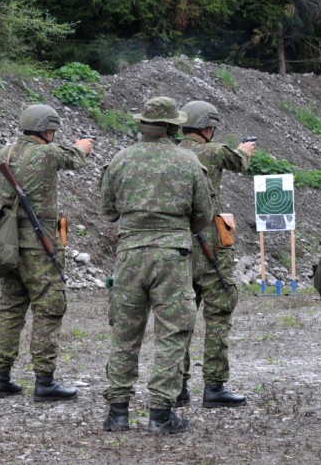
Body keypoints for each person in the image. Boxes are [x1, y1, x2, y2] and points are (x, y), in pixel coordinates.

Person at [101, 97, 213, 434]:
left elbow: (108, 210)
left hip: (130, 254)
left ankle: (117, 412)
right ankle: (160, 413)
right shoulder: (188, 160)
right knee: (172, 333)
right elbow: (203, 215)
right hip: (173, 256)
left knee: (124, 332)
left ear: (143, 123)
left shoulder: (119, 160)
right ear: (173, 125)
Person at [0, 104, 93, 402]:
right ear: (47, 130)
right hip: (38, 239)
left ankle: (0, 377)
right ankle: (44, 380)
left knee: (11, 307)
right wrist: (81, 147)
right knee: (48, 307)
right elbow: (74, 159)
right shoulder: (47, 152)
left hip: (8, 239)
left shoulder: (5, 152)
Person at [176, 100, 254, 408]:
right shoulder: (214, 150)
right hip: (210, 241)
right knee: (219, 312)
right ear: (208, 127)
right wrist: (246, 150)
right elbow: (239, 162)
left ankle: (177, 386)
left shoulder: (171, 152)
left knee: (180, 316)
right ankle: (215, 386)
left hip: (178, 242)